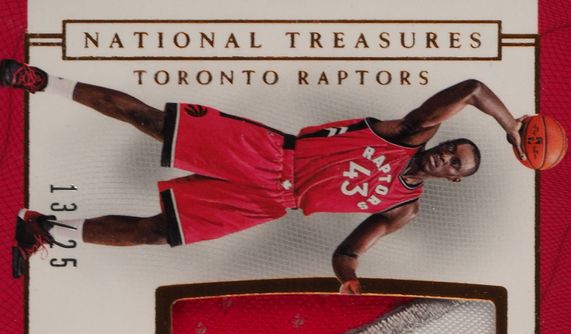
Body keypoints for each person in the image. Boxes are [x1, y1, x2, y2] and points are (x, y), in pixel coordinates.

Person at [1, 60, 526, 291]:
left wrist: (349, 281)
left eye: (455, 164)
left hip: (272, 203)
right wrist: (511, 128)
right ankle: (42, 81)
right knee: (152, 122)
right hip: (269, 154)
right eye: (450, 149)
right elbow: (472, 89)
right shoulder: (408, 133)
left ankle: (44, 229)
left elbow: (347, 252)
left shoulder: (403, 208)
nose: (446, 158)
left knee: (159, 233)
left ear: (454, 180)